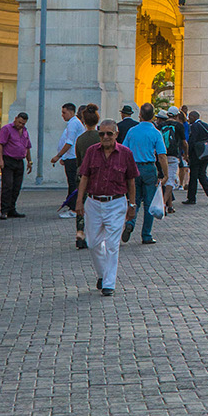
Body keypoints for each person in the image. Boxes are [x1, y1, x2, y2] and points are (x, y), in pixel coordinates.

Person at [75, 119, 138, 297]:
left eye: (109, 133)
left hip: (116, 202)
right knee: (93, 242)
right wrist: (79, 201)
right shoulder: (92, 152)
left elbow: (131, 181)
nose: (105, 137)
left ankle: (109, 283)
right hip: (93, 202)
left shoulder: (125, 153)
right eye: (102, 133)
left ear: (116, 134)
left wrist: (131, 204)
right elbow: (84, 177)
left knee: (112, 244)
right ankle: (103, 274)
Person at [121, 103, 167, 245]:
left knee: (134, 199)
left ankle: (131, 222)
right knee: (149, 203)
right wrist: (165, 174)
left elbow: (124, 151)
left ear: (139, 115)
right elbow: (162, 155)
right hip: (149, 168)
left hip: (134, 167)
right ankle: (146, 234)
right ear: (153, 116)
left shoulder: (132, 131)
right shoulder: (155, 133)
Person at [70, 105, 102, 249]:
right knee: (96, 206)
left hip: (82, 173)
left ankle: (80, 232)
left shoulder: (80, 139)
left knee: (81, 203)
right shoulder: (100, 137)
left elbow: (78, 159)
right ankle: (93, 235)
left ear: (84, 121)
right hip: (97, 175)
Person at [50, 102, 84, 218]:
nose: (62, 115)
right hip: (70, 157)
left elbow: (69, 142)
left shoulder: (73, 124)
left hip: (73, 158)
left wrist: (58, 156)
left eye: (64, 112)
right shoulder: (73, 123)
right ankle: (71, 205)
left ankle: (74, 209)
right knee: (72, 183)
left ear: (70, 112)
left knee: (73, 183)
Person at [0, 112, 32, 218]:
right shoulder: (6, 129)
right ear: (15, 119)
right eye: (19, 122)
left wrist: (29, 162)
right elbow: (0, 144)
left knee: (16, 186)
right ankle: (4, 211)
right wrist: (0, 160)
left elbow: (27, 147)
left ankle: (11, 209)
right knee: (8, 185)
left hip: (19, 161)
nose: (20, 125)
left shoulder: (25, 131)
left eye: (23, 123)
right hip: (8, 160)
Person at [184, 111, 208, 206]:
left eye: (190, 117)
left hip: (196, 155)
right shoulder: (206, 126)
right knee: (202, 174)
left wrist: (188, 154)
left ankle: (191, 198)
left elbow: (192, 141)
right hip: (205, 154)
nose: (188, 119)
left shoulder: (194, 126)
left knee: (193, 176)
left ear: (194, 117)